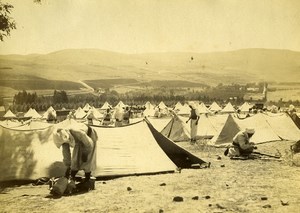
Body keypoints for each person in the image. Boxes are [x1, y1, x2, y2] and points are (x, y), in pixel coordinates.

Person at [53, 122, 98, 193]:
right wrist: (68, 167)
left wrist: (85, 154)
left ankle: (87, 179)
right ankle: (72, 178)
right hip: (79, 140)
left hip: (89, 136)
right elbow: (66, 154)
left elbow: (89, 145)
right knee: (75, 159)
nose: (65, 145)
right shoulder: (63, 138)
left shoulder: (77, 132)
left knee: (87, 159)